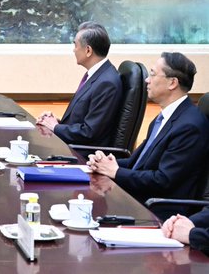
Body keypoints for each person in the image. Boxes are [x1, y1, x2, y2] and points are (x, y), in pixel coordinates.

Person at [87, 52, 209, 220]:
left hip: (159, 211)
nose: (147, 80)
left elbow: (162, 180)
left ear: (172, 83)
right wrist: (106, 163)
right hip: (139, 198)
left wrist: (116, 172)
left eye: (152, 74)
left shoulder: (190, 126)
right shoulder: (163, 118)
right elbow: (137, 163)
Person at [36, 21, 122, 147]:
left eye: (75, 45)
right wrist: (54, 122)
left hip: (83, 155)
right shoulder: (97, 75)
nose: (73, 50)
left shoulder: (107, 83)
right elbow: (84, 120)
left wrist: (55, 127)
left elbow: (89, 132)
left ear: (88, 50)